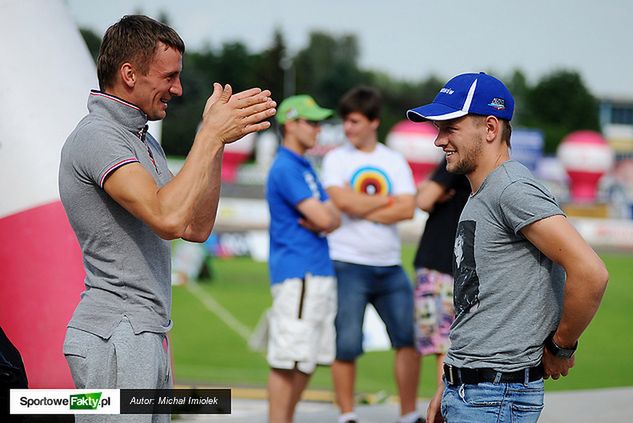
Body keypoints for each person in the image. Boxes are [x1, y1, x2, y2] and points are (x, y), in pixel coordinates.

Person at [58, 15, 276, 422]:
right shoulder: (98, 135)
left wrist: (217, 144)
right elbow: (167, 218)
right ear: (129, 74)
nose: (178, 88)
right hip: (116, 333)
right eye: (170, 76)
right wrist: (208, 135)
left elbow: (196, 226)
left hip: (142, 332)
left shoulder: (140, 140)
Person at [406, 72, 609, 423]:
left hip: (494, 396)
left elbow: (591, 272)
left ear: (489, 128)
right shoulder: (481, 192)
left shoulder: (512, 189)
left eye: (449, 127)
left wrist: (561, 345)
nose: (439, 141)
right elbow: (480, 303)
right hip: (472, 390)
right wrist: (451, 378)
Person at [322, 87, 422, 423]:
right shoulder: (336, 158)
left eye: (354, 121)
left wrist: (359, 205)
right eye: (346, 121)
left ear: (373, 122)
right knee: (346, 343)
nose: (347, 128)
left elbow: (409, 208)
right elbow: (341, 201)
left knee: (408, 340)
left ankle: (408, 414)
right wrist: (386, 202)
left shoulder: (392, 159)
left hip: (390, 266)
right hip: (347, 263)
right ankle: (347, 414)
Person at [264, 95, 341, 423]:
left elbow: (331, 216)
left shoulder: (304, 165)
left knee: (309, 357)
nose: (318, 129)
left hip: (315, 271)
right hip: (299, 273)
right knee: (288, 359)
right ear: (291, 124)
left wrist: (327, 216)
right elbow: (326, 219)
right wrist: (326, 217)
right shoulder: (285, 166)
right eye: (311, 122)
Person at [412, 156, 469, 388]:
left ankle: (443, 408)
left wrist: (428, 190)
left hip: (440, 263)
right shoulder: (471, 165)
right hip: (450, 265)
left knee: (445, 346)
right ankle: (444, 407)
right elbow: (426, 200)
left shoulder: (456, 162)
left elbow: (424, 199)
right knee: (448, 346)